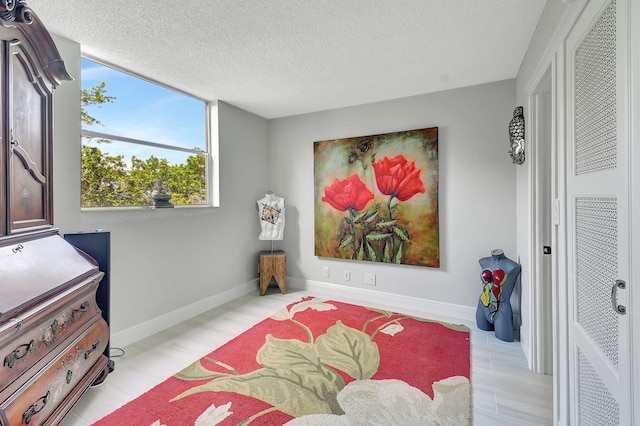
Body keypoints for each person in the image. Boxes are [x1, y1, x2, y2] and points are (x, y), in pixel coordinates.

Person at [475, 249, 521, 342]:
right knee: (481, 330)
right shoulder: (483, 261)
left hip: (501, 310)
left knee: (504, 339)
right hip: (483, 306)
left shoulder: (513, 266)